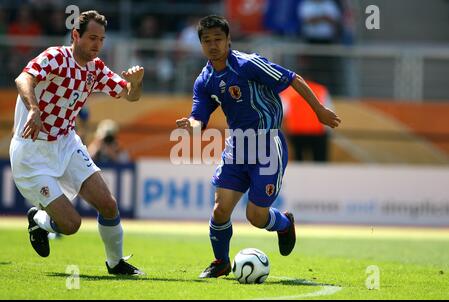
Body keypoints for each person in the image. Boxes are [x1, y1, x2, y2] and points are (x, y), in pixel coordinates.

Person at [176, 15, 341, 278]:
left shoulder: (249, 64)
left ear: (228, 40)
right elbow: (200, 117)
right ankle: (221, 262)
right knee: (220, 210)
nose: (213, 45)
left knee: (256, 216)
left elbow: (292, 78)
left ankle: (284, 224)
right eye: (207, 41)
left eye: (218, 39)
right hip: (237, 147)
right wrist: (192, 126)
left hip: (267, 144)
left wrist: (319, 110)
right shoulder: (204, 80)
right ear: (201, 44)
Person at [9, 10, 145, 276]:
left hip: (67, 143)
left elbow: (130, 95)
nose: (97, 44)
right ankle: (38, 219)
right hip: (32, 151)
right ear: (76, 35)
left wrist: (136, 84)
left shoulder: (96, 69)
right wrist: (34, 109)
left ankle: (116, 264)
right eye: (92, 38)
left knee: (109, 204)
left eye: (101, 39)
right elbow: (23, 78)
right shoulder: (55, 57)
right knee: (71, 225)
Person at [281, 79, 334, 162]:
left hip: (296, 133)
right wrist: (328, 131)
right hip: (317, 132)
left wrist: (286, 135)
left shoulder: (288, 92)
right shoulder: (320, 90)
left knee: (298, 163)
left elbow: (284, 114)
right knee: (320, 164)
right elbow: (329, 110)